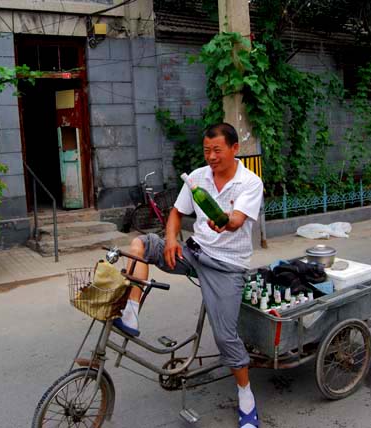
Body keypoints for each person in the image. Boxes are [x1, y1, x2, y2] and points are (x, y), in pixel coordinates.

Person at [114, 123, 264, 428]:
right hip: (193, 253)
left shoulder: (250, 182)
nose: (211, 156)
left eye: (217, 150)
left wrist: (225, 222)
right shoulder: (197, 177)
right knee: (140, 245)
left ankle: (246, 397)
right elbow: (176, 213)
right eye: (207, 150)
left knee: (225, 336)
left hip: (227, 265)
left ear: (234, 149)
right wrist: (171, 239)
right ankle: (131, 313)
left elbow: (236, 221)